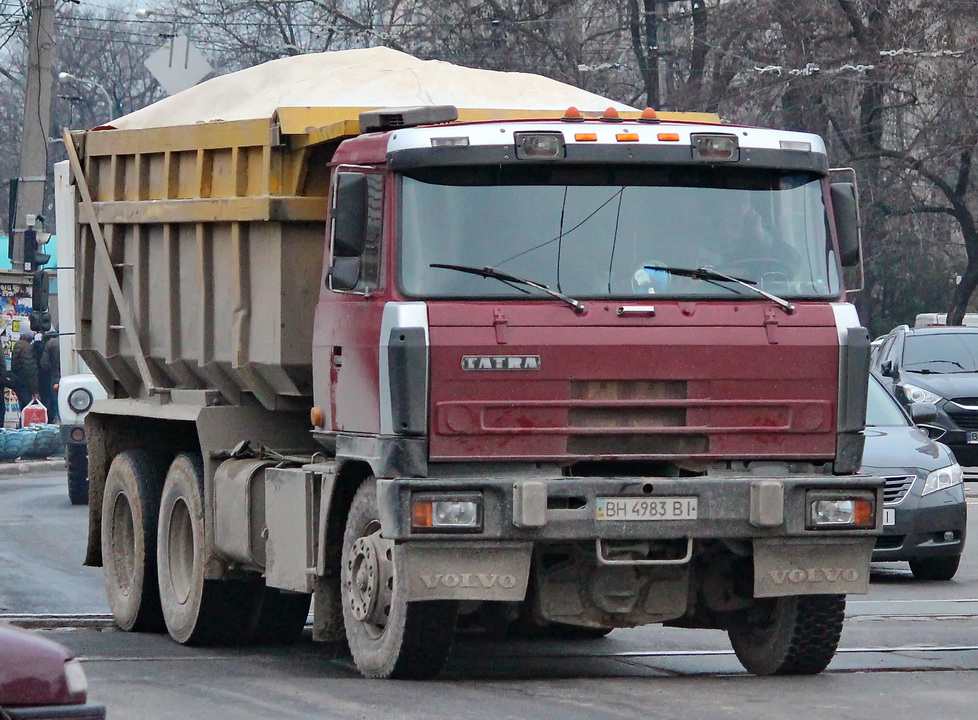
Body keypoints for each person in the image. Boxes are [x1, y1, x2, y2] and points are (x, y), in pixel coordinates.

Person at [10, 327, 39, 412]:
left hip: (19, 382)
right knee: (29, 408)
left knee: (23, 408)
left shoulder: (18, 344)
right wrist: (35, 390)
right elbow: (30, 369)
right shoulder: (27, 348)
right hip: (26, 384)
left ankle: (22, 423)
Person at [39, 334, 59, 423]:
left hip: (55, 376)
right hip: (71, 376)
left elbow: (44, 363)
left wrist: (52, 370)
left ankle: (56, 420)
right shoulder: (73, 340)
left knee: (55, 401)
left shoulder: (51, 344)